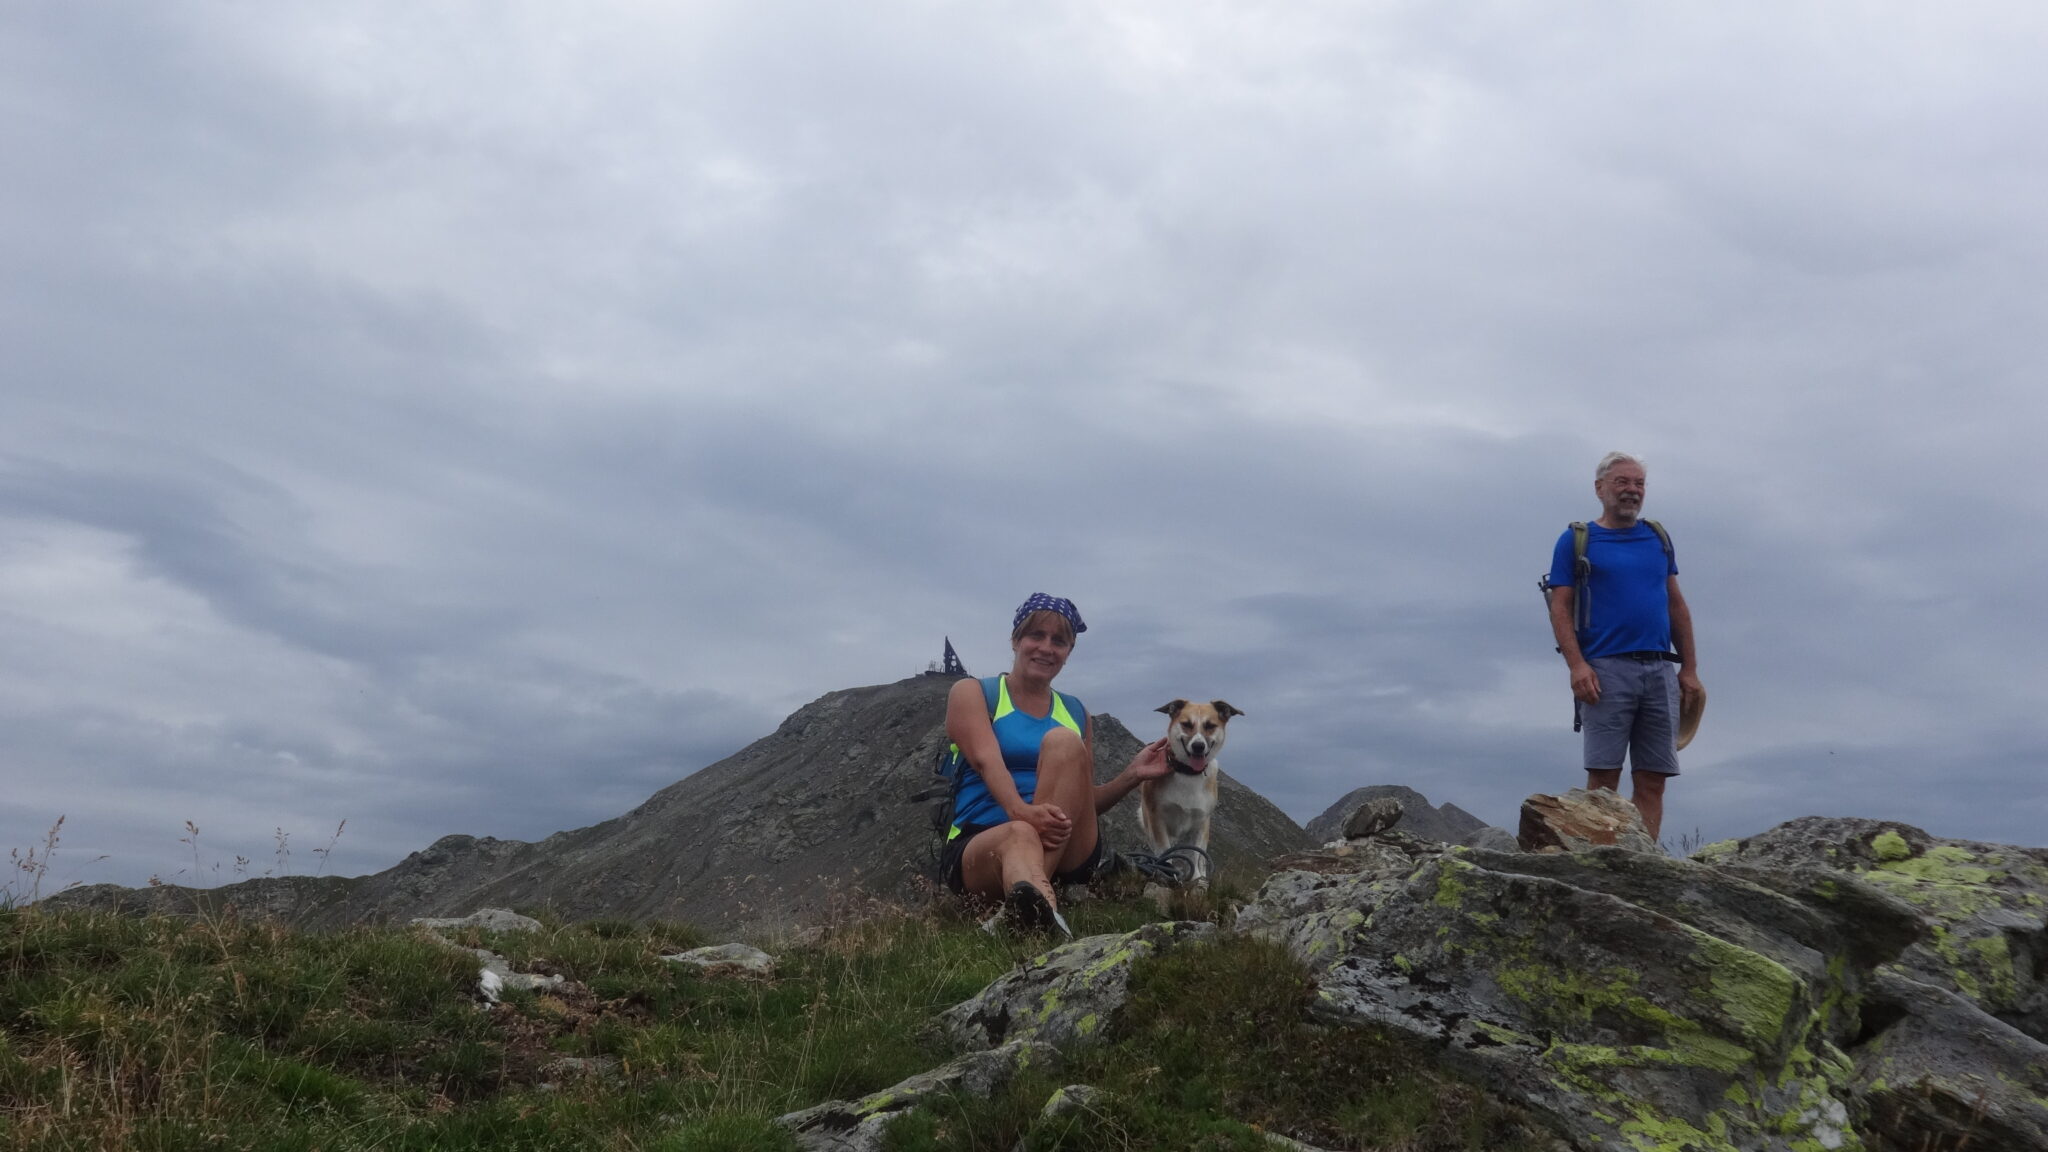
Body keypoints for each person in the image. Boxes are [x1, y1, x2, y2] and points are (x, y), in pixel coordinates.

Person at [940, 593, 1171, 934]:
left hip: (1065, 845)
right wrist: (1021, 812)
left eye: (1059, 641)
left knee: (1064, 742)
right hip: (984, 841)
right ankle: (1036, 908)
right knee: (1019, 834)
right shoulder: (974, 693)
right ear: (1016, 640)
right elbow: (986, 761)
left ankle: (1024, 901)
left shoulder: (1076, 712)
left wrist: (1132, 775)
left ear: (1068, 653)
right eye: (1036, 636)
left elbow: (1081, 803)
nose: (1046, 648)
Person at [1546, 453, 1704, 842]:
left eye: (1639, 484)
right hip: (1605, 670)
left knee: (1653, 779)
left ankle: (1644, 862)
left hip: (1659, 670)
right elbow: (1560, 606)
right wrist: (1577, 666)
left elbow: (1675, 604)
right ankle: (1601, 861)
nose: (1632, 490)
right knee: (1603, 779)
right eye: (1622, 482)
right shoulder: (1576, 540)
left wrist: (1689, 669)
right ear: (1600, 488)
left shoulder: (1658, 539)